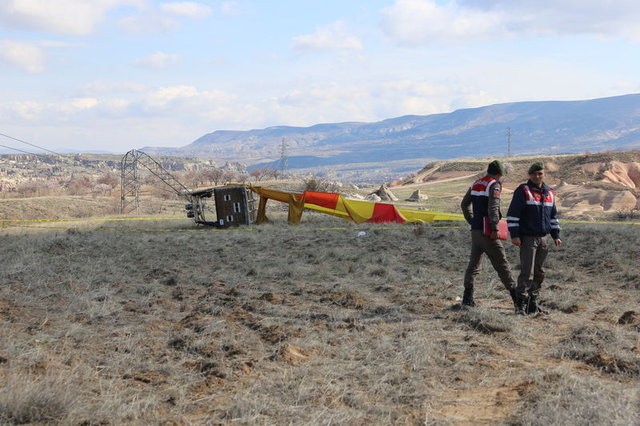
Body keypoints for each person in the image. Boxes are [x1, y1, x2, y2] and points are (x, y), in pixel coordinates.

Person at [460, 160, 518, 310]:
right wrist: (495, 228)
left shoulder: (476, 183)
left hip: (476, 231)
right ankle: (517, 299)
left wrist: (472, 221)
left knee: (473, 265)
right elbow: (493, 208)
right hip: (488, 232)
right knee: (502, 264)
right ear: (500, 173)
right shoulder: (494, 185)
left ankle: (467, 298)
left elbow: (464, 204)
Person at [506, 162, 562, 314]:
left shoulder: (549, 192)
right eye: (534, 174)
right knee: (526, 272)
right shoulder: (523, 191)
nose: (537, 176)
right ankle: (520, 305)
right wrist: (515, 235)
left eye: (540, 173)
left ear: (544, 174)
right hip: (528, 238)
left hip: (543, 238)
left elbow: (553, 216)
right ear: (529, 175)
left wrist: (555, 235)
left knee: (539, 272)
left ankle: (532, 303)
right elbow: (513, 214)